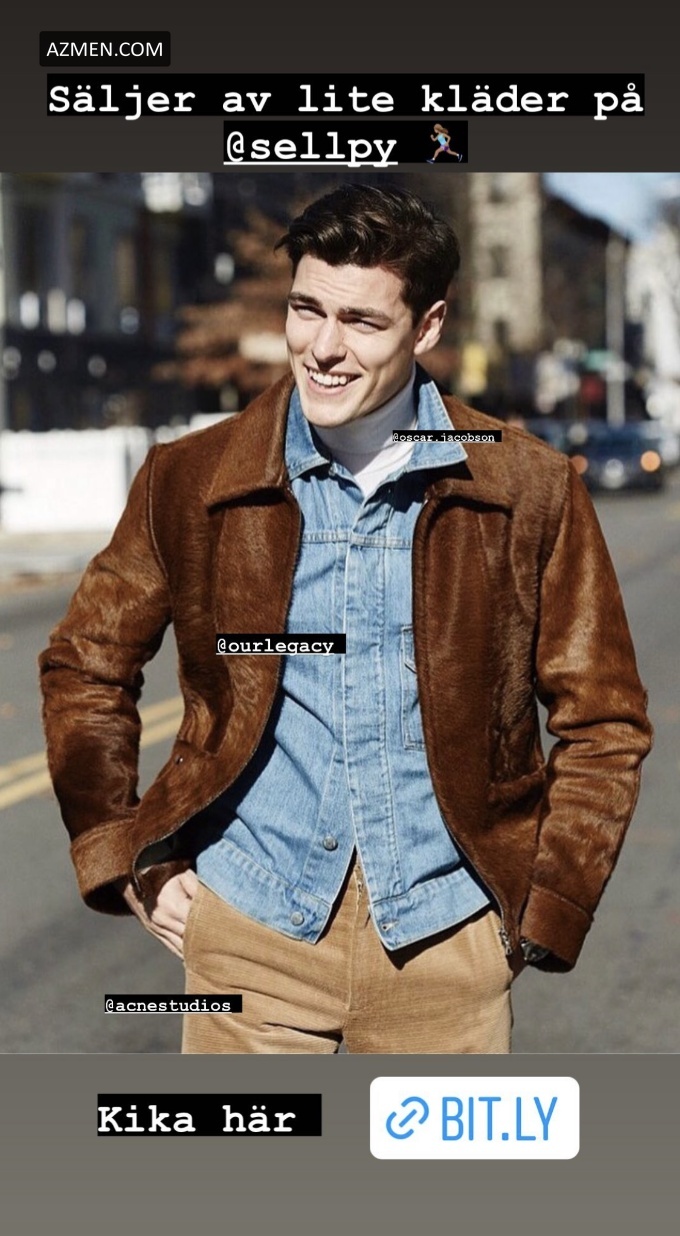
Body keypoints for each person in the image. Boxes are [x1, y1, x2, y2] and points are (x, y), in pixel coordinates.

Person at [39, 183, 652, 1055]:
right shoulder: (191, 478)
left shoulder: (527, 488)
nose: (323, 348)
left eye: (361, 321)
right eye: (306, 309)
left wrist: (543, 909)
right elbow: (85, 665)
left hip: (447, 947)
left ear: (426, 327)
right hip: (249, 938)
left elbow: (604, 722)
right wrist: (117, 850)